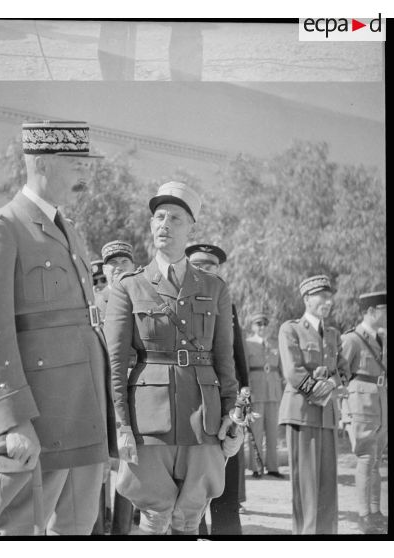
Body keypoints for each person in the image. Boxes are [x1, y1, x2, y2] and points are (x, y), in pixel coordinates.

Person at [0, 120, 117, 536]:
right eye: (76, 163)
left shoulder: (70, 232)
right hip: (36, 422)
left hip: (82, 420)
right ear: (44, 164)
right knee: (19, 533)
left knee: (74, 532)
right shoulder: (0, 227)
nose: (85, 173)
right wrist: (13, 422)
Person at [104, 182, 241, 536]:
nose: (164, 224)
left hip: (204, 412)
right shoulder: (129, 287)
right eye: (159, 217)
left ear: (190, 227)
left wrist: (231, 414)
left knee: (191, 515)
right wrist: (121, 425)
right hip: (149, 417)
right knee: (154, 513)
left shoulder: (214, 288)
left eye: (175, 218)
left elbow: (224, 358)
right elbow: (117, 364)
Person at [185, 243, 249, 535]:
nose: (204, 271)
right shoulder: (178, 301)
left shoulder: (227, 303)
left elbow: (237, 357)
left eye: (210, 266)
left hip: (225, 400)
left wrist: (242, 404)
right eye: (198, 265)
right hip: (193, 401)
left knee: (227, 480)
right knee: (193, 483)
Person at [278, 275, 348, 535]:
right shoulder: (291, 329)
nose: (328, 302)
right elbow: (292, 371)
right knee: (306, 486)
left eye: (330, 297)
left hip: (328, 416)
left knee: (328, 486)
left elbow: (344, 370)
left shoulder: (334, 334)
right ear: (307, 298)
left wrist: (330, 383)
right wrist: (316, 388)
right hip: (301, 415)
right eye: (322, 296)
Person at [92, 240, 136, 535]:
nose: (118, 268)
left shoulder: (144, 296)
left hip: (133, 388)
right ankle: (94, 528)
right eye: (112, 264)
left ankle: (122, 530)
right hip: (98, 389)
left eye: (124, 263)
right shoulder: (93, 302)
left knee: (128, 461)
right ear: (104, 270)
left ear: (133, 267)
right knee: (95, 463)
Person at [341, 291, 387, 534]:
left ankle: (376, 510)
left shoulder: (382, 338)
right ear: (371, 312)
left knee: (376, 461)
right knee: (366, 459)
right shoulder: (352, 339)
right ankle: (364, 514)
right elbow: (340, 376)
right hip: (361, 405)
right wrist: (345, 413)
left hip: (380, 403)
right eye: (384, 310)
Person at [245, 312, 284, 478]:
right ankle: (257, 468)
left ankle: (273, 467)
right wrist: (247, 392)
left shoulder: (275, 344)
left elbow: (282, 370)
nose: (262, 327)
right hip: (257, 391)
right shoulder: (247, 344)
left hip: (273, 392)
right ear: (252, 326)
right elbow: (245, 369)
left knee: (273, 432)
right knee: (256, 432)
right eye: (258, 324)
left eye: (264, 324)